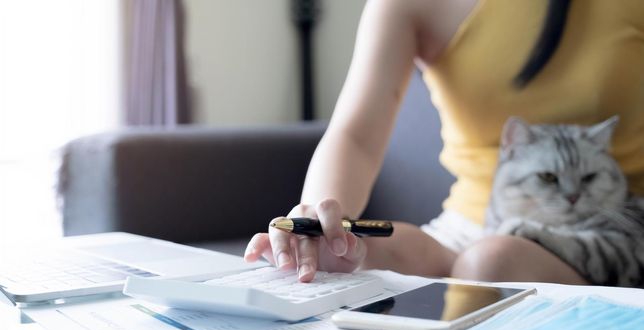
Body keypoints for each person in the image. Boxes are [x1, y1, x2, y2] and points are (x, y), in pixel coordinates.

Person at [244, 0, 644, 284]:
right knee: (345, 259)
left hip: (607, 226)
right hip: (466, 228)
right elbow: (356, 136)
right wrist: (320, 224)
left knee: (489, 266)